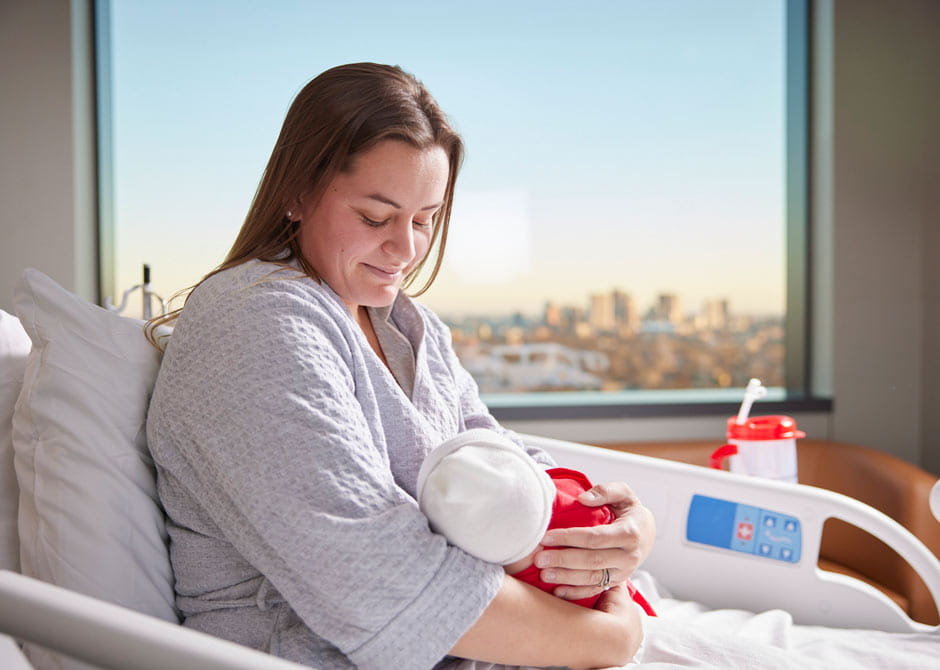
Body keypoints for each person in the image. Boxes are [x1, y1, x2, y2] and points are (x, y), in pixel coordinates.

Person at [146, 62, 655, 670]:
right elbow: (377, 581)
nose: (407, 250)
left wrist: (615, 530)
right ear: (296, 193)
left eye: (424, 219)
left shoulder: (410, 329)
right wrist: (612, 639)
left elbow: (503, 465)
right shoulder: (251, 323)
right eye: (375, 218)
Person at [417, 428, 657, 615]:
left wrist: (639, 528)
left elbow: (506, 439)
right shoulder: (578, 504)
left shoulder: (440, 365)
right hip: (599, 621)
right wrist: (615, 633)